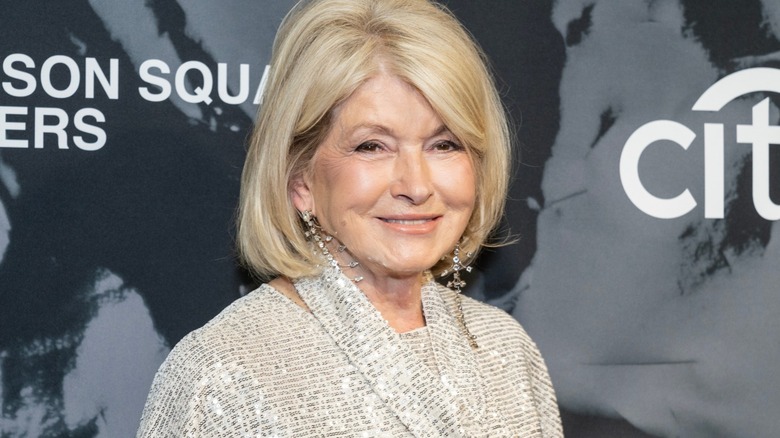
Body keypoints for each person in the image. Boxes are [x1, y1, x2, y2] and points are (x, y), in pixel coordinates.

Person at [136, 0, 563, 436]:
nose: (415, 186)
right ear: (299, 180)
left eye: (445, 144)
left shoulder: (505, 348)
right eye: (372, 146)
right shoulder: (223, 372)